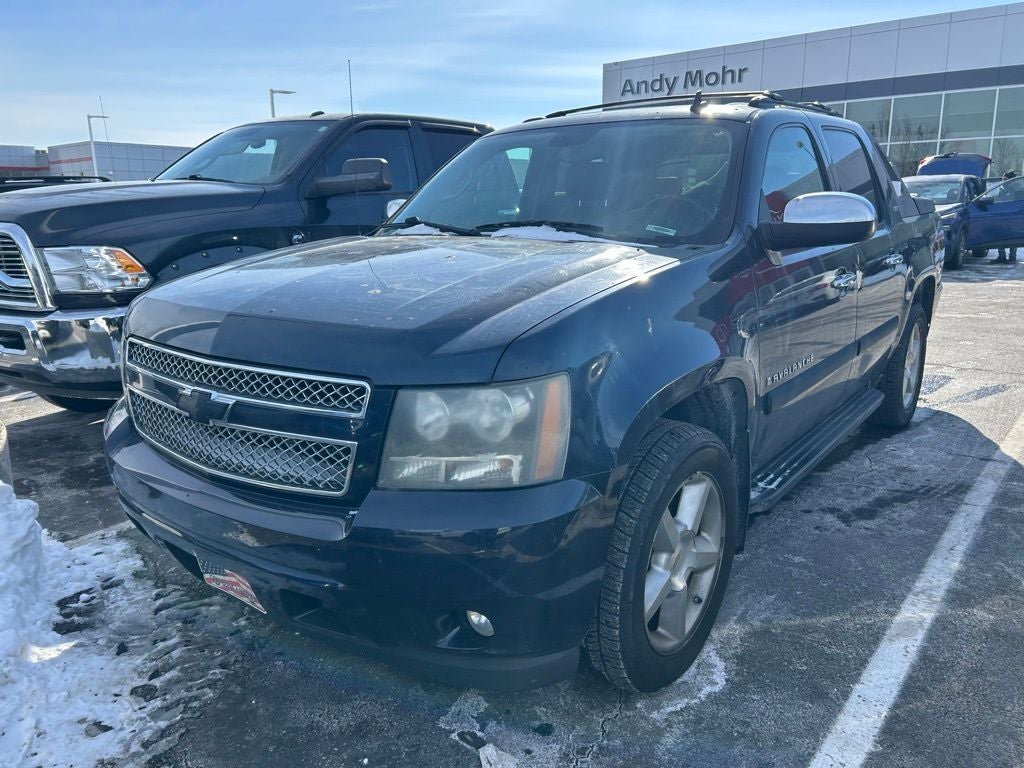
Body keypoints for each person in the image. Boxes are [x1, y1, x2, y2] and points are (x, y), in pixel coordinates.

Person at [994, 171, 1019, 264]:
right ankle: (1001, 256)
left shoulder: (1017, 190)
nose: (1003, 181)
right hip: (1002, 216)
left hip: (1013, 216)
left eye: (1005, 179)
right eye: (1002, 179)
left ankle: (1012, 257)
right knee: (1000, 235)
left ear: (1011, 180)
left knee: (1012, 236)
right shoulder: (1001, 189)